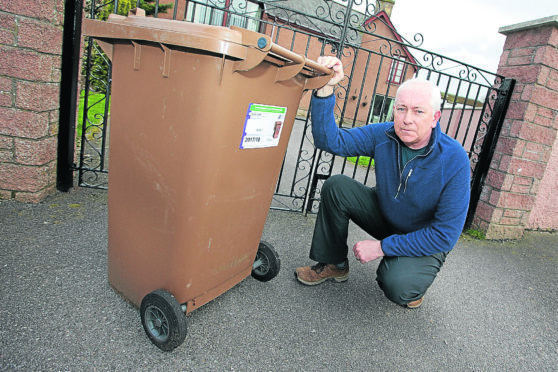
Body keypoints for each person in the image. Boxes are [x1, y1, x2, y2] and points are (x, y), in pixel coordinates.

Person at [294, 56, 471, 308]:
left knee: (397, 286)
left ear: (435, 118)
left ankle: (413, 282)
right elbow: (331, 141)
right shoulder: (384, 135)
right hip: (388, 216)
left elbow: (444, 235)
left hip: (424, 236)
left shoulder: (454, 159)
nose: (407, 118)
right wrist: (326, 87)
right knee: (337, 187)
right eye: (401, 108)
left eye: (418, 111)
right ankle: (334, 264)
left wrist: (381, 248)